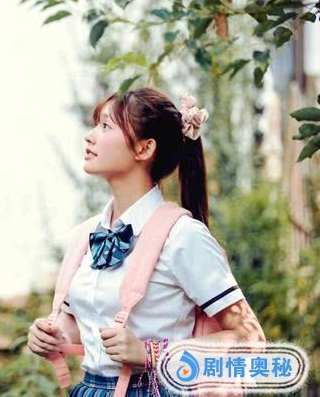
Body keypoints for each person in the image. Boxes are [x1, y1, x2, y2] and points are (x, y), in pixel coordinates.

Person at [27, 87, 266, 396]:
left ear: (144, 148)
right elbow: (82, 322)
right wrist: (54, 336)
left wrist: (151, 353)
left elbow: (251, 339)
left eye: (106, 126)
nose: (90, 136)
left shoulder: (183, 236)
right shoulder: (84, 236)